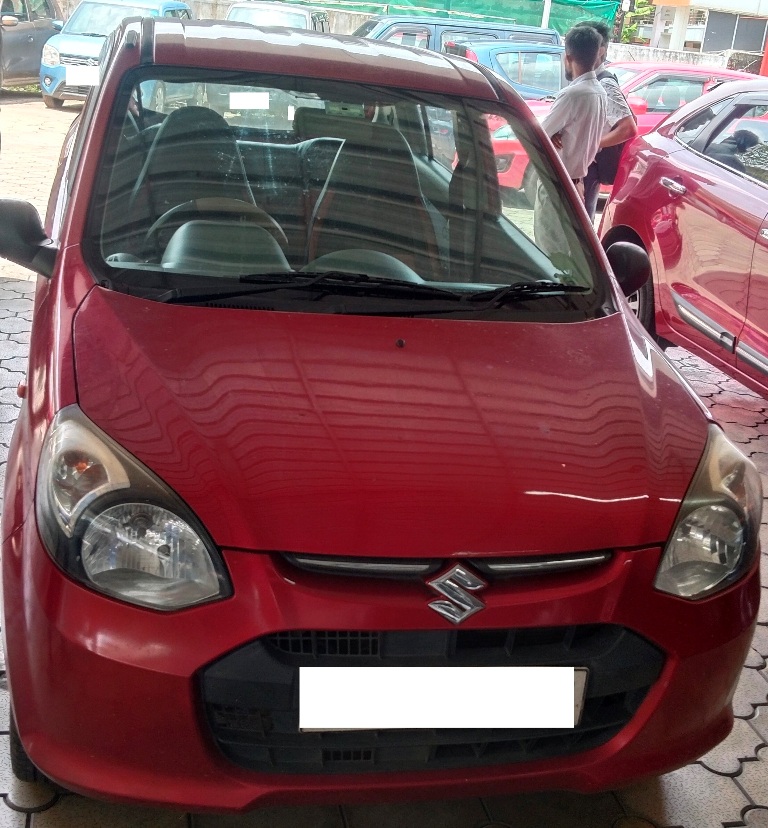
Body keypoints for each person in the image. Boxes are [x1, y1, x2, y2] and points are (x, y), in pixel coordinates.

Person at [534, 24, 606, 257]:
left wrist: (552, 133)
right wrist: (553, 132)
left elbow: (538, 134)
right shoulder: (599, 92)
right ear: (598, 56)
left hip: (558, 184)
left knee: (550, 252)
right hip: (578, 182)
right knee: (567, 252)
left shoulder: (573, 94)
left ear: (568, 58)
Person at [576, 19, 638, 221]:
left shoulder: (605, 83)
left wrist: (593, 143)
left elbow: (628, 128)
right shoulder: (588, 79)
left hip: (589, 168)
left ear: (600, 50)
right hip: (583, 165)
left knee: (579, 226)